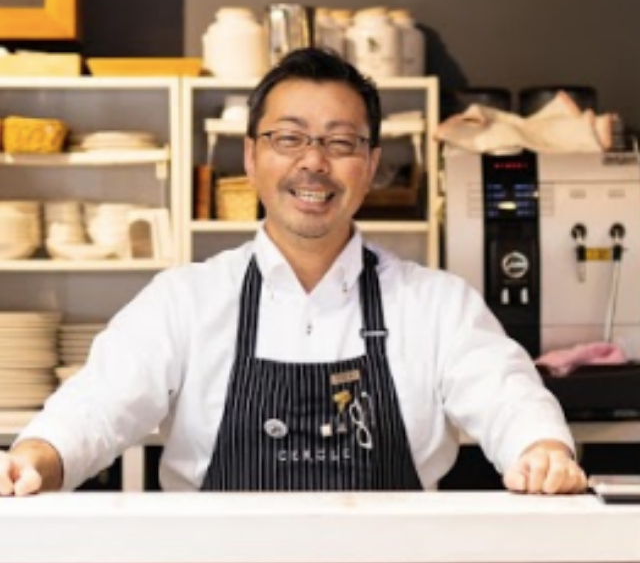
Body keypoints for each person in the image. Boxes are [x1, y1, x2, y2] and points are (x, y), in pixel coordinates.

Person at [0, 47, 587, 496]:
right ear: (251, 156)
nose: (313, 161)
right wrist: (36, 457)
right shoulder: (185, 299)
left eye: (340, 143)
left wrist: (542, 451)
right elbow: (98, 405)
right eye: (288, 138)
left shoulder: (436, 304)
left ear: (371, 165)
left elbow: (507, 395)